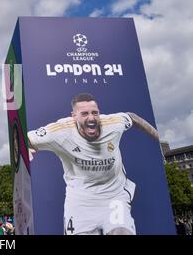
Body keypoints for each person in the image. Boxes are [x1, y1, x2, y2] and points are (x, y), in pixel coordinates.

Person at [28, 93, 159, 235]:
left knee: (121, 232)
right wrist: (23, 148)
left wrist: (158, 137)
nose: (91, 118)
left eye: (94, 113)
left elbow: (132, 117)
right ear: (74, 116)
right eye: (84, 114)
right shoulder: (60, 131)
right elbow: (23, 138)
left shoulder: (113, 124)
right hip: (80, 201)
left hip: (114, 196)